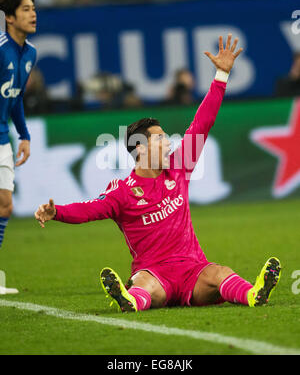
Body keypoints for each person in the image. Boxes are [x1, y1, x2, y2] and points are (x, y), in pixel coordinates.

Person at [34, 34, 282, 312]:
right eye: (160, 139)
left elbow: (203, 122)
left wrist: (221, 75)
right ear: (140, 148)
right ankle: (131, 300)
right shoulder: (124, 191)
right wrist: (58, 213)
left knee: (220, 273)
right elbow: (91, 209)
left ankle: (253, 293)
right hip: (156, 274)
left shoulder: (179, 165)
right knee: (144, 283)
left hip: (193, 271)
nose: (168, 143)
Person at [0, 0, 37, 293]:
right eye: (25, 9)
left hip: (2, 138)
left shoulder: (30, 53)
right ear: (9, 17)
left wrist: (23, 134)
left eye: (33, 8)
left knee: (4, 205)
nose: (33, 13)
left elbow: (15, 97)